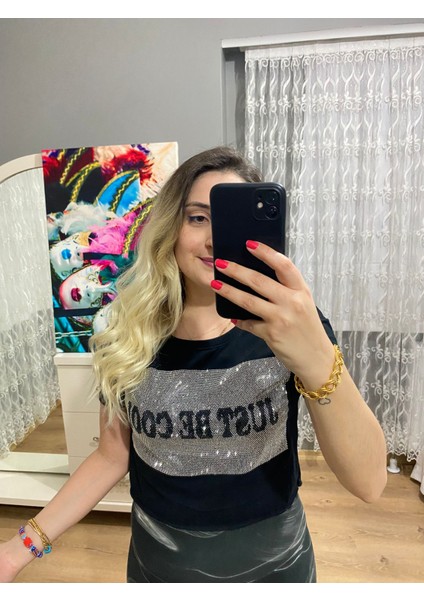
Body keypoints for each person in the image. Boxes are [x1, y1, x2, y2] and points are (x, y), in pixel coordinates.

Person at [0, 146, 387, 583]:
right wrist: (17, 551)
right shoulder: (125, 333)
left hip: (274, 565)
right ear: (171, 226)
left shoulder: (291, 329)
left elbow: (370, 483)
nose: (213, 240)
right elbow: (111, 456)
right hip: (160, 565)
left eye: (232, 222)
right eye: (198, 217)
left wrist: (316, 356)